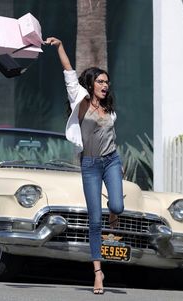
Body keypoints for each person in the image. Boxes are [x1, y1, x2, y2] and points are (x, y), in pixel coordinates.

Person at [45, 37, 124, 294]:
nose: (105, 85)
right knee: (94, 220)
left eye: (107, 82)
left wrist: (118, 165)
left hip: (112, 159)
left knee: (117, 206)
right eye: (100, 81)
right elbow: (69, 72)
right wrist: (59, 47)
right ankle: (98, 272)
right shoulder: (80, 102)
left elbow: (110, 138)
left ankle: (114, 210)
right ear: (90, 83)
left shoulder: (109, 107)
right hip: (90, 164)